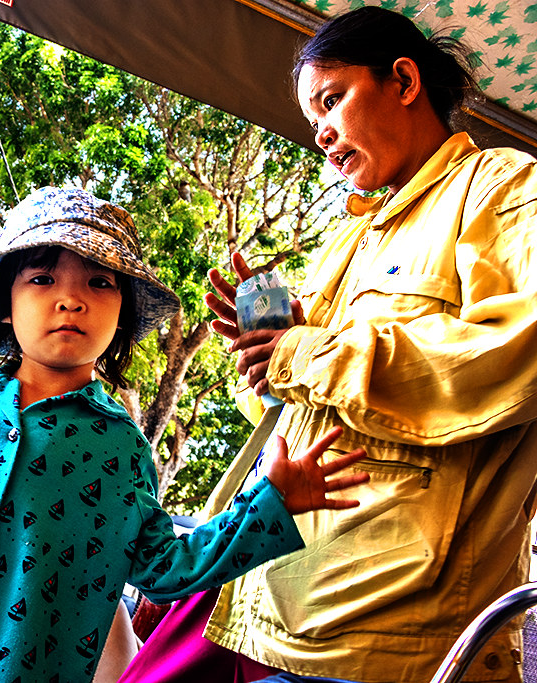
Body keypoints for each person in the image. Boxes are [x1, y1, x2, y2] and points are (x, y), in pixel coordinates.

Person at [0, 186, 369, 682]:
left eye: (99, 284)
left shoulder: (119, 447)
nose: (71, 301)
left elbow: (163, 566)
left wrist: (272, 504)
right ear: (5, 304)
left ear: (122, 317)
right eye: (43, 279)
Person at [119, 6, 537, 683]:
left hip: (401, 636)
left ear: (403, 80)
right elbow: (305, 412)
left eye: (332, 99)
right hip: (285, 610)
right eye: (313, 119)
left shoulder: (504, 188)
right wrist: (265, 355)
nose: (320, 133)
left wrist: (303, 352)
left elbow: (518, 353)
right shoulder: (345, 243)